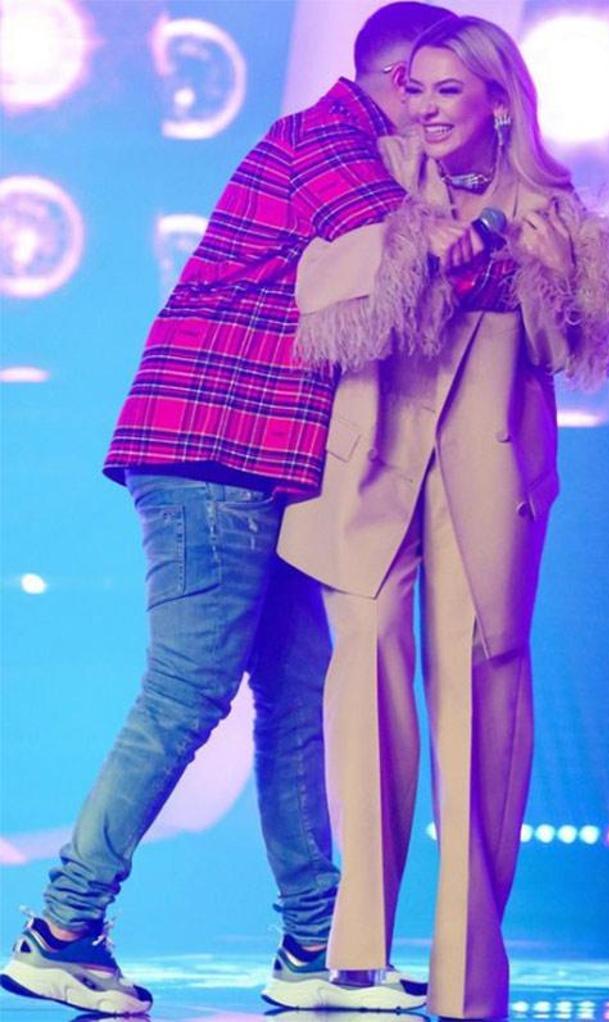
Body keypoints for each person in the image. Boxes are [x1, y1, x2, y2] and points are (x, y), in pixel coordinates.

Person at [0, 4, 456, 1015]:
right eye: (432, 88)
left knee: (295, 699)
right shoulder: (331, 142)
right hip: (213, 448)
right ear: (395, 77)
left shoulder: (363, 150)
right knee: (187, 692)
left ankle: (316, 950)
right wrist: (523, 220)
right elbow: (425, 254)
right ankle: (62, 928)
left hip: (271, 463)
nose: (441, 110)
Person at [278, 13, 609, 1019]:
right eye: (416, 88)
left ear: (498, 101)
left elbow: (572, 349)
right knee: (366, 669)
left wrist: (542, 264)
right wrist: (422, 247)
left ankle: (468, 972)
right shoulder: (377, 179)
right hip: (372, 460)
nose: (426, 107)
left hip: (487, 468)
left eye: (448, 90)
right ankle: (355, 954)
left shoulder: (549, 206)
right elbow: (319, 300)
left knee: (479, 692)